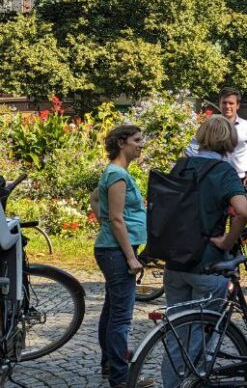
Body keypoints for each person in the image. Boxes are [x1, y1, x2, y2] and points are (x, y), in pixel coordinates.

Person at [162, 115, 247, 388]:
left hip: (176, 262)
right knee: (202, 332)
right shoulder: (222, 171)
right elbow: (243, 211)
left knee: (176, 331)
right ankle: (194, 382)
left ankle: (171, 385)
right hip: (208, 264)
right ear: (229, 140)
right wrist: (226, 242)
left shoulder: (181, 166)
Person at [92, 125, 154, 388]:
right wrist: (131, 257)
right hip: (117, 252)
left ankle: (109, 366)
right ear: (121, 143)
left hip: (111, 249)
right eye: (137, 140)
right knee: (121, 318)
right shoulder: (118, 175)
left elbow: (95, 199)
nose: (141, 145)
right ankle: (121, 378)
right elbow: (117, 219)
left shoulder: (116, 172)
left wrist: (103, 218)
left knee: (111, 310)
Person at [186, 87, 247, 189]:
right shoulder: (209, 125)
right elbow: (192, 150)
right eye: (224, 103)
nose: (227, 106)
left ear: (238, 105)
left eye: (231, 103)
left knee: (239, 205)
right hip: (211, 180)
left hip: (238, 181)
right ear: (220, 104)